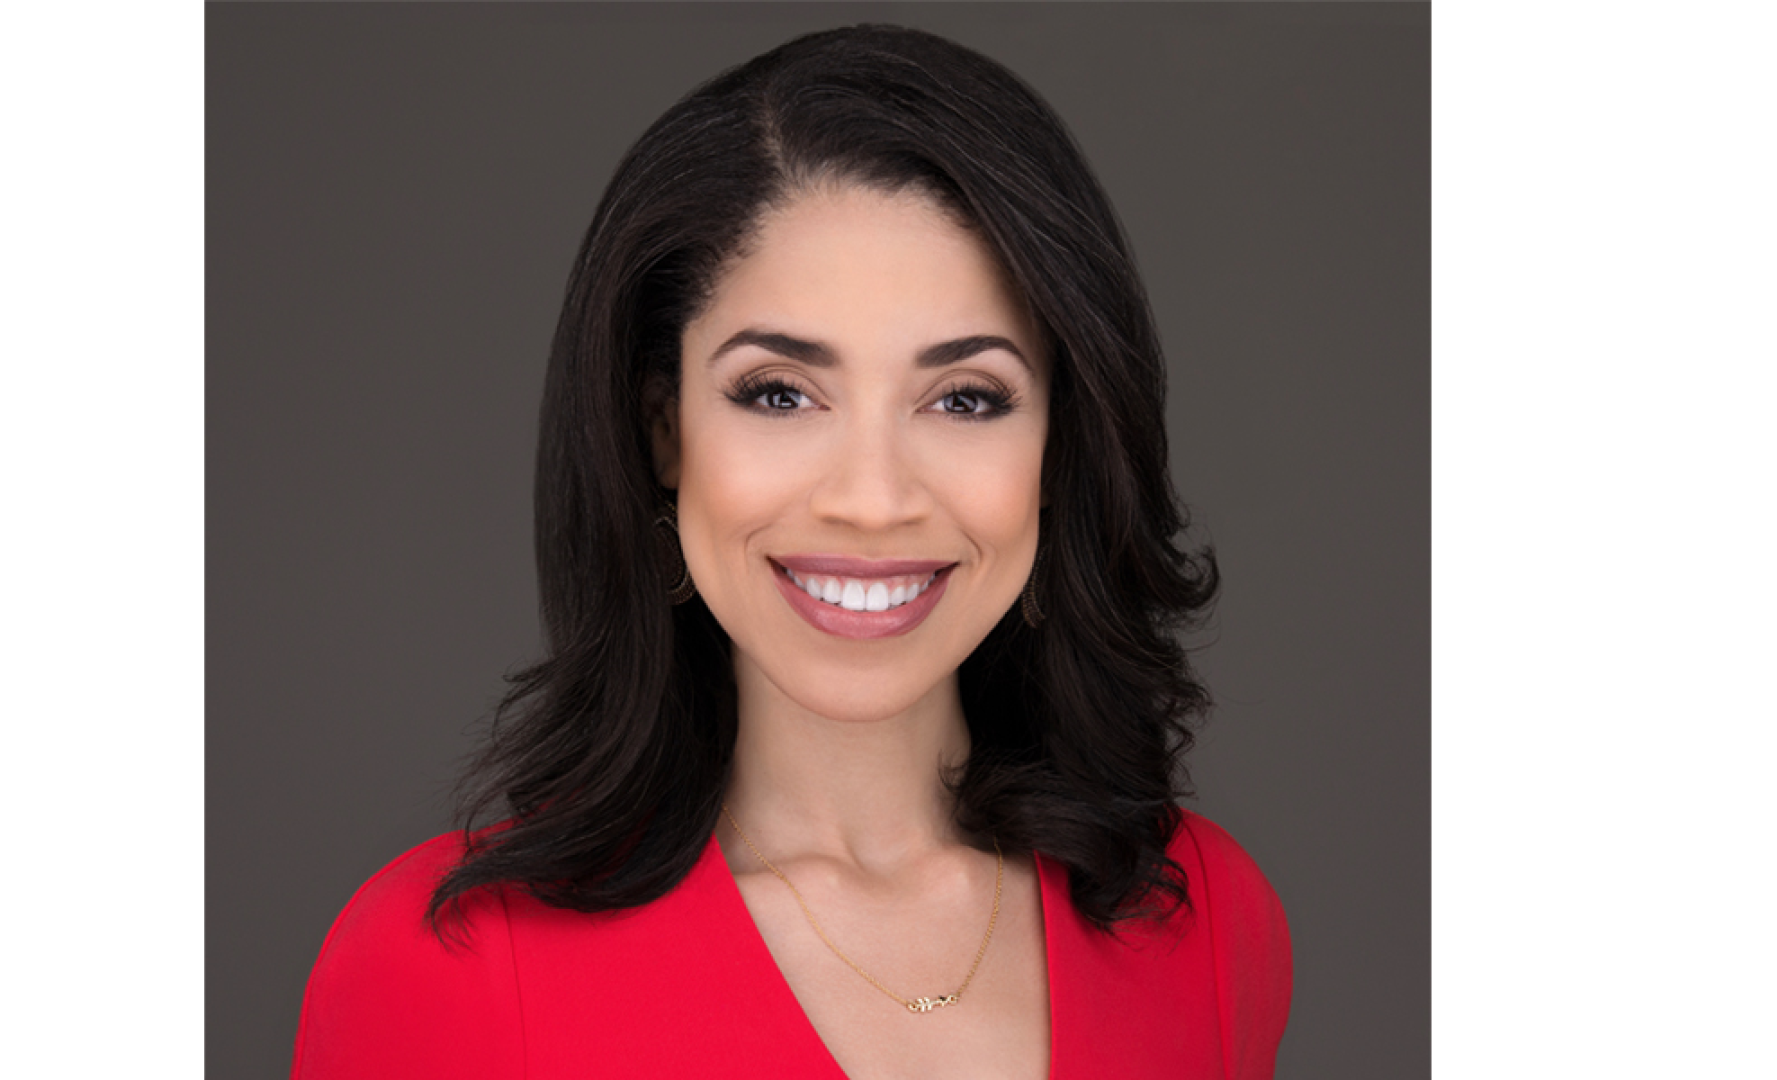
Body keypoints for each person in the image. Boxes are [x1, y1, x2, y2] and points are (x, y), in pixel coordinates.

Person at [294, 24, 1290, 1079]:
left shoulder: (1205, 924)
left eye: (965, 398)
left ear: (1060, 448)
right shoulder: (449, 970)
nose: (872, 501)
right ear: (664, 429)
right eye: (780, 393)